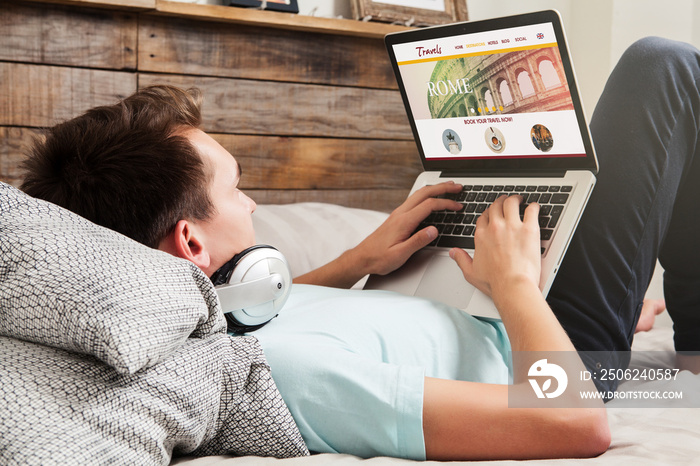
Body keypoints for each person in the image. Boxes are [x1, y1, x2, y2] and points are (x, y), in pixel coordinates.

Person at [18, 36, 700, 460]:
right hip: (555, 353)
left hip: (498, 301)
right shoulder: (289, 374)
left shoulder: (209, 321)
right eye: (238, 190)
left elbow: (269, 314)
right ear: (191, 240)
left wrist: (362, 260)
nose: (254, 205)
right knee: (662, 69)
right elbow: (575, 427)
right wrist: (519, 286)